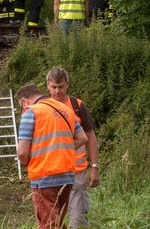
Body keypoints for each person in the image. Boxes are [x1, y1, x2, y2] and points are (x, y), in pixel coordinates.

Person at [16, 83, 87, 229]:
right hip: (67, 175)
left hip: (44, 176)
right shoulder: (65, 109)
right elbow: (82, 138)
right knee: (58, 224)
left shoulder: (31, 111)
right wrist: (62, 151)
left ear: (24, 101)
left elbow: (22, 152)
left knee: (48, 225)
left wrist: (28, 161)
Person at [46, 68, 100, 228]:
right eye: (54, 87)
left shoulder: (77, 105)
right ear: (48, 85)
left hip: (76, 172)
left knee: (78, 221)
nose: (57, 91)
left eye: (61, 87)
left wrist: (94, 167)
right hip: (51, 172)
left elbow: (91, 137)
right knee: (54, 221)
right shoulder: (41, 108)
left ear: (67, 85)